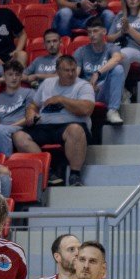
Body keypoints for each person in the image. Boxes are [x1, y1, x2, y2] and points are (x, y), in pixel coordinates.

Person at [30, 55, 94, 186]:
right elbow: (33, 105)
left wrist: (61, 99)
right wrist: (30, 113)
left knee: (75, 130)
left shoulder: (84, 85)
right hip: (45, 126)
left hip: (70, 125)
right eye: (67, 70)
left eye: (73, 70)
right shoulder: (47, 83)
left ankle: (75, 175)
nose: (71, 74)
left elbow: (87, 109)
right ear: (58, 71)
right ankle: (48, 170)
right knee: (19, 136)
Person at [75, 16, 127, 125]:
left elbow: (117, 58)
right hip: (87, 92)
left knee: (118, 69)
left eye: (95, 31)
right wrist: (86, 86)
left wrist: (98, 73)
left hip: (103, 90)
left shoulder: (111, 47)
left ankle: (113, 111)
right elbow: (74, 75)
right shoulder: (81, 51)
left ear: (104, 31)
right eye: (89, 32)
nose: (92, 35)